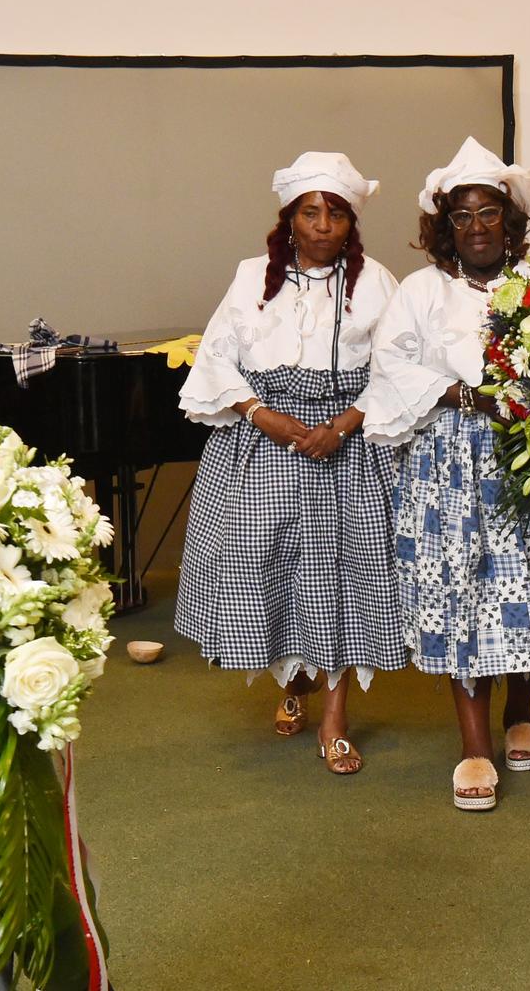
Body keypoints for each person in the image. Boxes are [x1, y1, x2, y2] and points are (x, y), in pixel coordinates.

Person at [365, 137, 530, 813]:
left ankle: (520, 709)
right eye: (462, 216)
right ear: (444, 227)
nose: (477, 227)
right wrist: (463, 396)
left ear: (509, 221)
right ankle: (474, 745)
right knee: (467, 597)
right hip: (452, 469)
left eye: (489, 214)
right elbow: (391, 367)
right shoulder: (422, 291)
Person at [173, 151, 407, 775]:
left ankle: (335, 716)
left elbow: (398, 367)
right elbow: (217, 356)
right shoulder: (251, 276)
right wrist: (263, 415)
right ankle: (293, 679)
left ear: (352, 224)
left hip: (347, 448)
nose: (323, 226)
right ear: (289, 220)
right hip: (262, 445)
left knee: (342, 576)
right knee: (270, 569)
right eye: (311, 213)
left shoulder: (378, 281)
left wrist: (345, 422)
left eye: (336, 214)